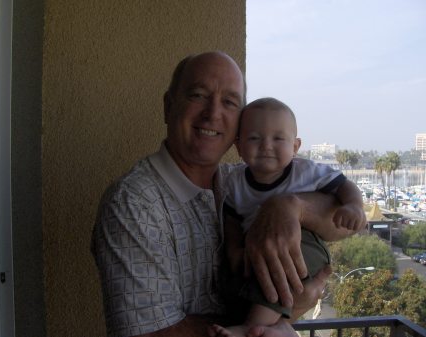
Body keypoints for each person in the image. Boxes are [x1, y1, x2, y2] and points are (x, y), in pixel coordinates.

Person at [91, 51, 364, 337]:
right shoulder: (133, 204)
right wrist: (290, 307)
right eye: (198, 95)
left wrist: (290, 207)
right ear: (168, 106)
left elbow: (343, 225)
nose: (213, 113)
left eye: (230, 102)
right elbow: (149, 334)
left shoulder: (237, 181)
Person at [208, 98, 366, 337]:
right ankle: (278, 326)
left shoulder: (306, 171)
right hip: (258, 248)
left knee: (280, 270)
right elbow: (231, 221)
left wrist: (354, 206)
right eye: (254, 138)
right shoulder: (235, 182)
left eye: (278, 138)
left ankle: (250, 328)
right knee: (238, 280)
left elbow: (344, 184)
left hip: (305, 244)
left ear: (295, 146)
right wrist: (234, 250)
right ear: (238, 146)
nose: (266, 146)